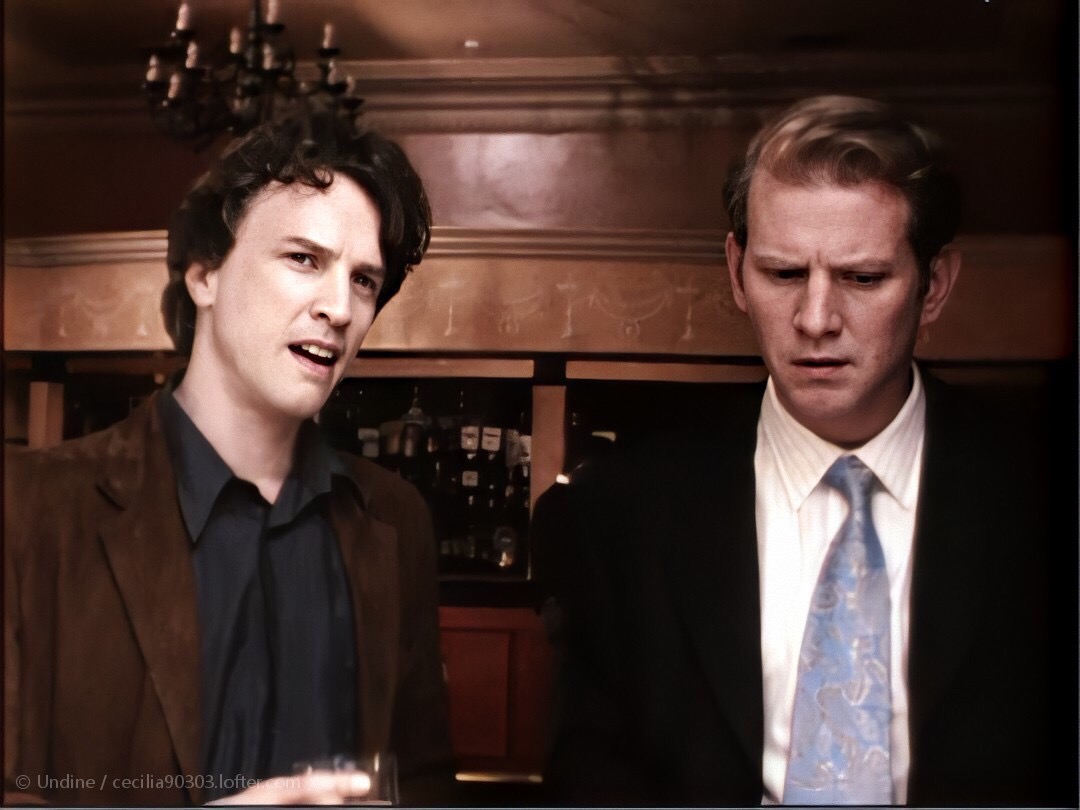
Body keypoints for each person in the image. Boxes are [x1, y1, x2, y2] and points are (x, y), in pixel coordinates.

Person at [540, 96, 1076, 805]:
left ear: (935, 287)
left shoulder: (1040, 493)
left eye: (862, 278)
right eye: (785, 274)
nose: (816, 319)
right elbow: (589, 778)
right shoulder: (625, 507)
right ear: (737, 271)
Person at [5, 117, 454, 805]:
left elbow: (422, 782)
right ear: (204, 273)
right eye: (304, 258)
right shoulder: (28, 507)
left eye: (364, 280)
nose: (340, 308)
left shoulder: (396, 520)